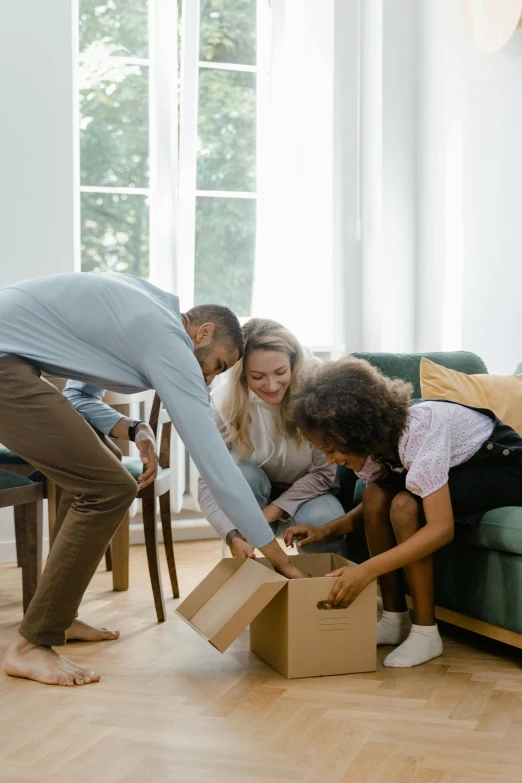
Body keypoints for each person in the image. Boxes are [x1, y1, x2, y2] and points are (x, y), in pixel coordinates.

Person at [0, 272, 306, 687]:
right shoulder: (166, 337)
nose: (210, 378)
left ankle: (57, 615)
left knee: (96, 471)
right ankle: (30, 645)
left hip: (14, 360)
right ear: (203, 332)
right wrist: (279, 558)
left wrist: (133, 429)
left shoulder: (147, 311)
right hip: (5, 364)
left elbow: (78, 394)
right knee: (109, 486)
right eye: (217, 364)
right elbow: (215, 463)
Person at [285, 356, 522, 668]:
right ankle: (394, 620)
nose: (330, 459)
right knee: (374, 496)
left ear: (355, 430)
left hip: (503, 469)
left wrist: (367, 570)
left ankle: (426, 631)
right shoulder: (373, 447)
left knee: (404, 505)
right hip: (460, 473)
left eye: (332, 448)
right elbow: (369, 506)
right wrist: (326, 530)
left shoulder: (419, 430)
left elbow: (441, 528)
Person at [198, 318, 346, 557]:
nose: (272, 385)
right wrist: (232, 536)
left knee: (323, 518)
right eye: (258, 377)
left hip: (310, 495)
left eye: (280, 372)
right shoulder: (224, 405)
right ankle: (248, 579)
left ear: (293, 363)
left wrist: (273, 511)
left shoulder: (315, 398)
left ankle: (324, 590)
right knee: (243, 475)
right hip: (252, 497)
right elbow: (209, 483)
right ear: (243, 375)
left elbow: (324, 474)